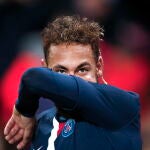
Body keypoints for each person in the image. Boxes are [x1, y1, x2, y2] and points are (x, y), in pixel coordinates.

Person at [4, 16, 142, 150]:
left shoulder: (121, 105)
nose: (71, 81)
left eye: (82, 70)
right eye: (61, 71)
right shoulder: (41, 124)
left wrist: (24, 109)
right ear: (46, 69)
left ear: (99, 67)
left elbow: (33, 78)